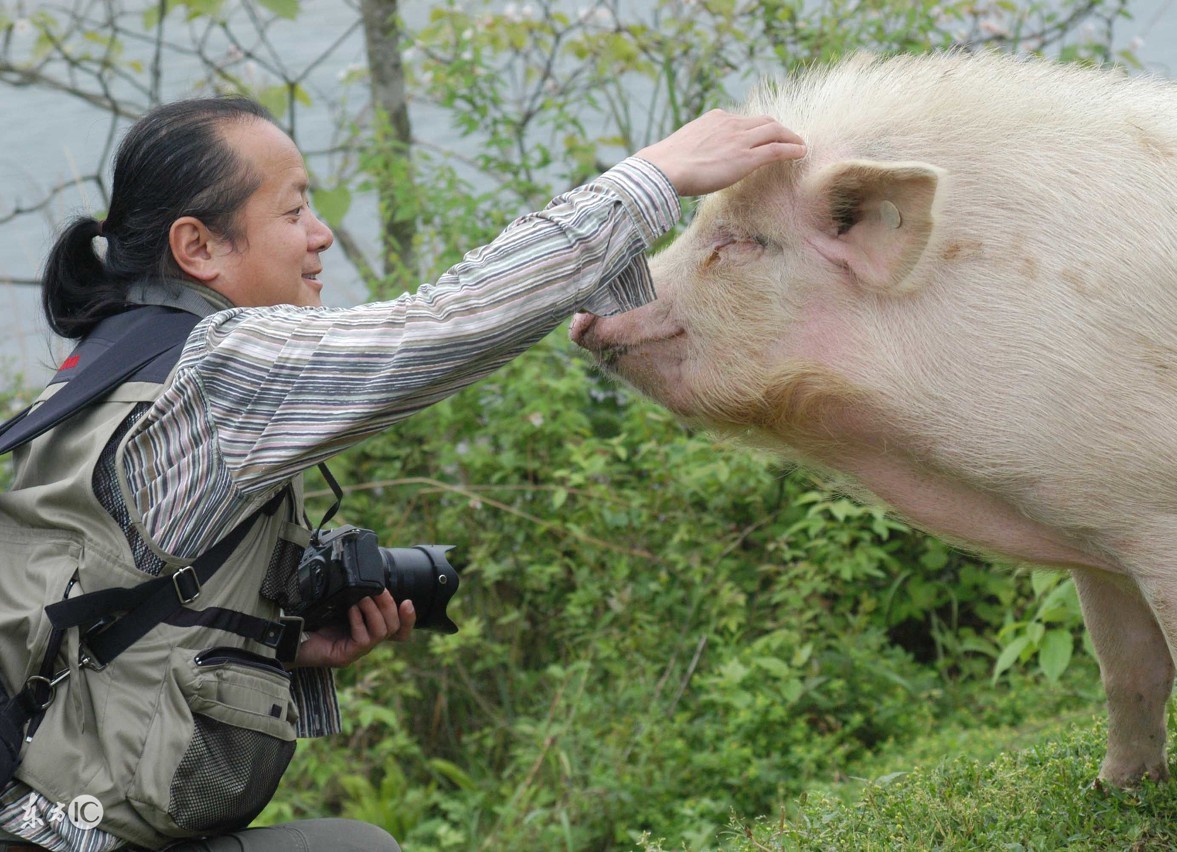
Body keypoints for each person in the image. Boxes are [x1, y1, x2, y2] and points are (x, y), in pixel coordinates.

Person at [0, 95, 805, 852]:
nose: (320, 234)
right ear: (197, 248)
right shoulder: (221, 370)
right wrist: (652, 178)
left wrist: (277, 646)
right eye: (293, 211)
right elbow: (449, 324)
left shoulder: (106, 369)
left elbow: (96, 612)